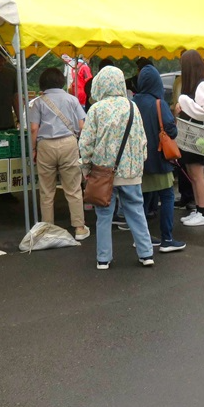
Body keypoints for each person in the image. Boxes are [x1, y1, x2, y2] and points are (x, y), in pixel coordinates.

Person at [78, 66, 155, 269]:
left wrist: (86, 168)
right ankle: (146, 254)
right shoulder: (132, 107)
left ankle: (104, 259)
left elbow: (86, 143)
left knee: (103, 215)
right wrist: (139, 164)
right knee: (136, 212)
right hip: (130, 172)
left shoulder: (96, 109)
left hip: (103, 173)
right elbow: (142, 140)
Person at [29, 67, 89, 240]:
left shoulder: (38, 102)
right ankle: (79, 228)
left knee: (47, 190)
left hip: (46, 145)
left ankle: (48, 229)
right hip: (69, 143)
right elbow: (82, 126)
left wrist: (33, 149)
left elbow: (34, 128)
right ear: (61, 81)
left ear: (43, 83)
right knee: (73, 188)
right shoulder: (72, 100)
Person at [133, 65, 186, 252]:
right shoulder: (158, 103)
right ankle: (167, 239)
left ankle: (142, 237)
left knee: (143, 198)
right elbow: (171, 130)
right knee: (167, 195)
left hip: (139, 159)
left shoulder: (133, 101)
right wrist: (174, 116)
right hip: (158, 158)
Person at [175, 49, 204, 226]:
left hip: (198, 136)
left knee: (198, 175)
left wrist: (183, 101)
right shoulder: (198, 83)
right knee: (193, 174)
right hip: (193, 136)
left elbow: (203, 112)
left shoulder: (202, 84)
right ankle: (198, 209)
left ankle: (203, 212)